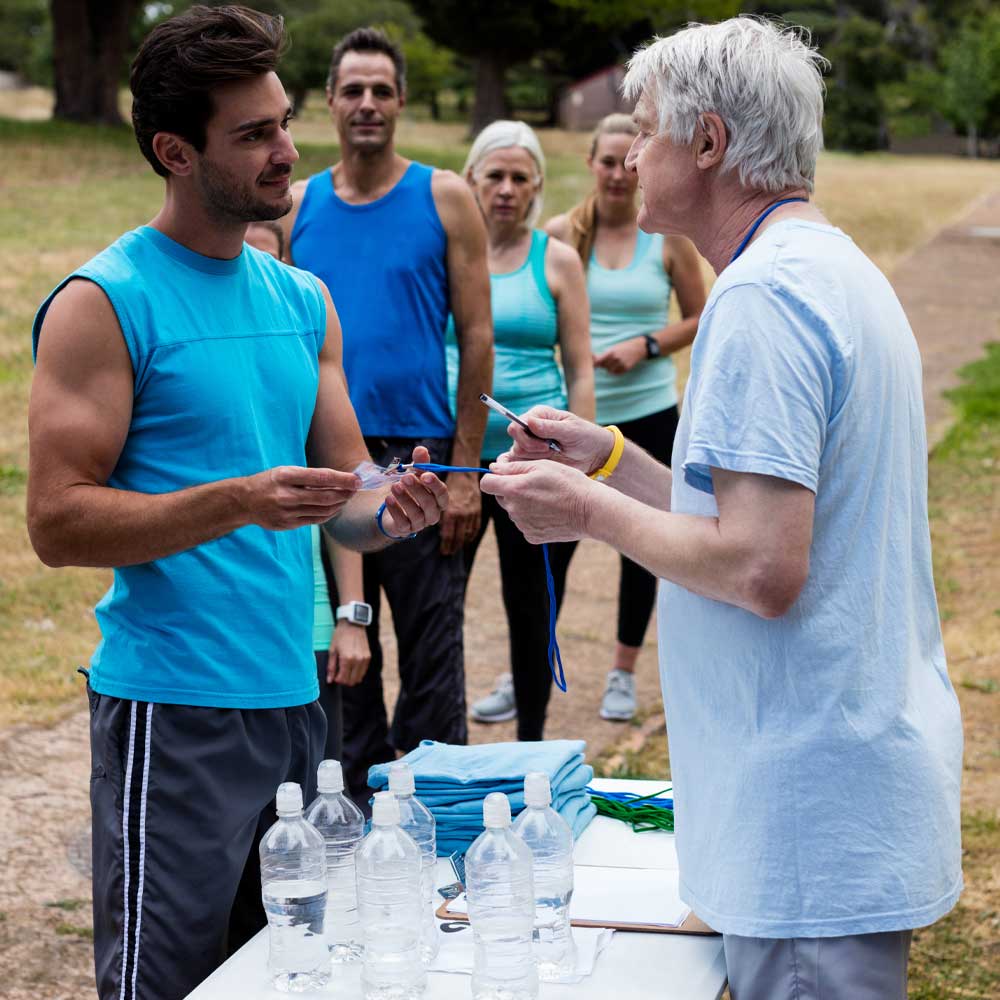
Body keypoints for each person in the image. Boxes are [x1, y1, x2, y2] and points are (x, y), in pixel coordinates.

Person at [481, 18, 962, 1000]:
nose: (631, 155)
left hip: (803, 826)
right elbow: (760, 524)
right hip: (831, 795)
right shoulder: (821, 268)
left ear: (707, 143)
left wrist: (586, 511)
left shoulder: (764, 299)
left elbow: (757, 567)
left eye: (648, 131)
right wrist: (611, 459)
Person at [25, 8, 447, 999]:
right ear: (175, 152)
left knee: (288, 973)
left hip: (299, 707)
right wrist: (240, 502)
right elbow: (56, 523)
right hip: (171, 711)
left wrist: (397, 506)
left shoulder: (303, 299)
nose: (287, 150)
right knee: (163, 981)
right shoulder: (105, 300)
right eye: (253, 133)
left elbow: (347, 501)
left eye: (284, 121)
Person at [282, 27, 493, 803]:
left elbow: (475, 336)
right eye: (353, 90)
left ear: (400, 101)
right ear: (330, 103)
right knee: (346, 652)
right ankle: (361, 825)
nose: (367, 103)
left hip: (423, 455)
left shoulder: (443, 195)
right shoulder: (300, 206)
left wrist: (466, 471)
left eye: (381, 89)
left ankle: (443, 820)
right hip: (331, 460)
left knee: (433, 651)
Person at [545, 114, 705, 722]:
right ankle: (532, 662)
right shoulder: (562, 233)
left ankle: (622, 672)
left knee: (643, 545)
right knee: (553, 541)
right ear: (590, 163)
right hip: (576, 415)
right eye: (606, 161)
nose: (618, 172)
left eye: (626, 160)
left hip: (648, 412)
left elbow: (699, 313)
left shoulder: (662, 235)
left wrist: (648, 345)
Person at [445, 121, 594, 739]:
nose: (506, 189)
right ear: (472, 180)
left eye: (519, 178)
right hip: (457, 463)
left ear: (536, 186)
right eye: (494, 176)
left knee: (530, 610)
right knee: (439, 608)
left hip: (536, 466)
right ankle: (441, 744)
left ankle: (531, 743)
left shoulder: (556, 260)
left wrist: (576, 460)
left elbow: (581, 368)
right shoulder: (450, 254)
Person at [244, 220, 370, 760]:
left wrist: (351, 617)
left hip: (307, 623)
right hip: (215, 641)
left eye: (265, 262)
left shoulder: (304, 330)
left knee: (313, 812)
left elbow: (339, 491)